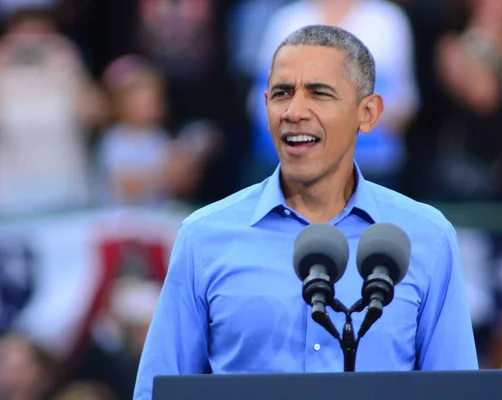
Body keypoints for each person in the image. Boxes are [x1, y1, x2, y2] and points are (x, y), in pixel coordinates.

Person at [133, 25, 478, 399]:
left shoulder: (426, 236)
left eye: (319, 93)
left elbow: (456, 391)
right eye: (282, 93)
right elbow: (156, 391)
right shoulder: (202, 236)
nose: (294, 111)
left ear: (368, 112)